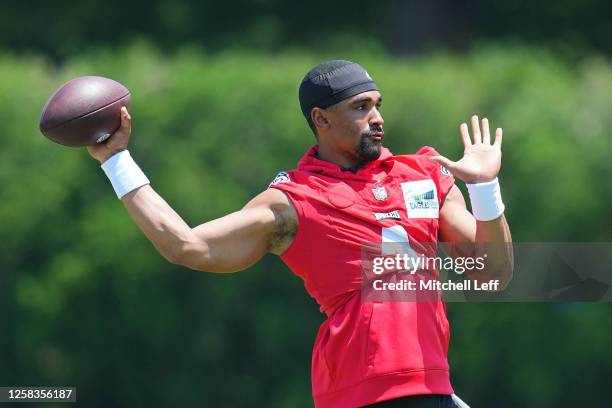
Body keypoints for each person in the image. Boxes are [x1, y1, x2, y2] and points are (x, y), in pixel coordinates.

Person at [87, 60, 513, 407]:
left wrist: (485, 188)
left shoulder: (421, 173)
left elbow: (494, 272)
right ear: (321, 118)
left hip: (431, 387)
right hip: (360, 393)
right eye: (361, 107)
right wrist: (116, 161)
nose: (377, 118)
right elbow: (186, 245)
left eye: (378, 104)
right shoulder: (295, 200)